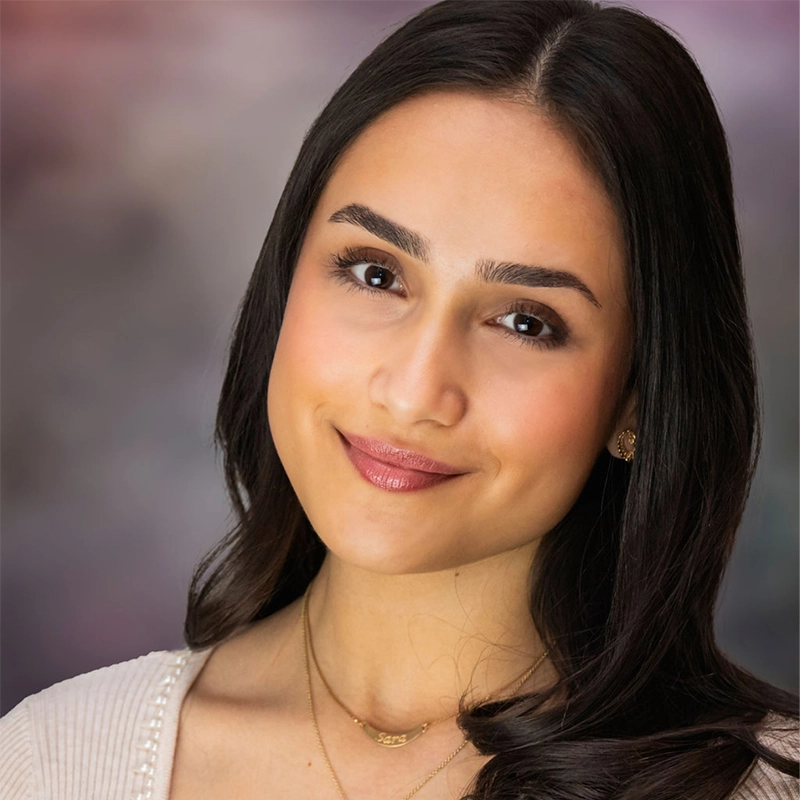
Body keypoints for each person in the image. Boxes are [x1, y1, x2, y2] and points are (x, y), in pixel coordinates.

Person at [1, 1, 797, 798]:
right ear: (284, 281)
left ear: (638, 396)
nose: (416, 391)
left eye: (526, 322)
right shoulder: (50, 761)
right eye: (377, 274)